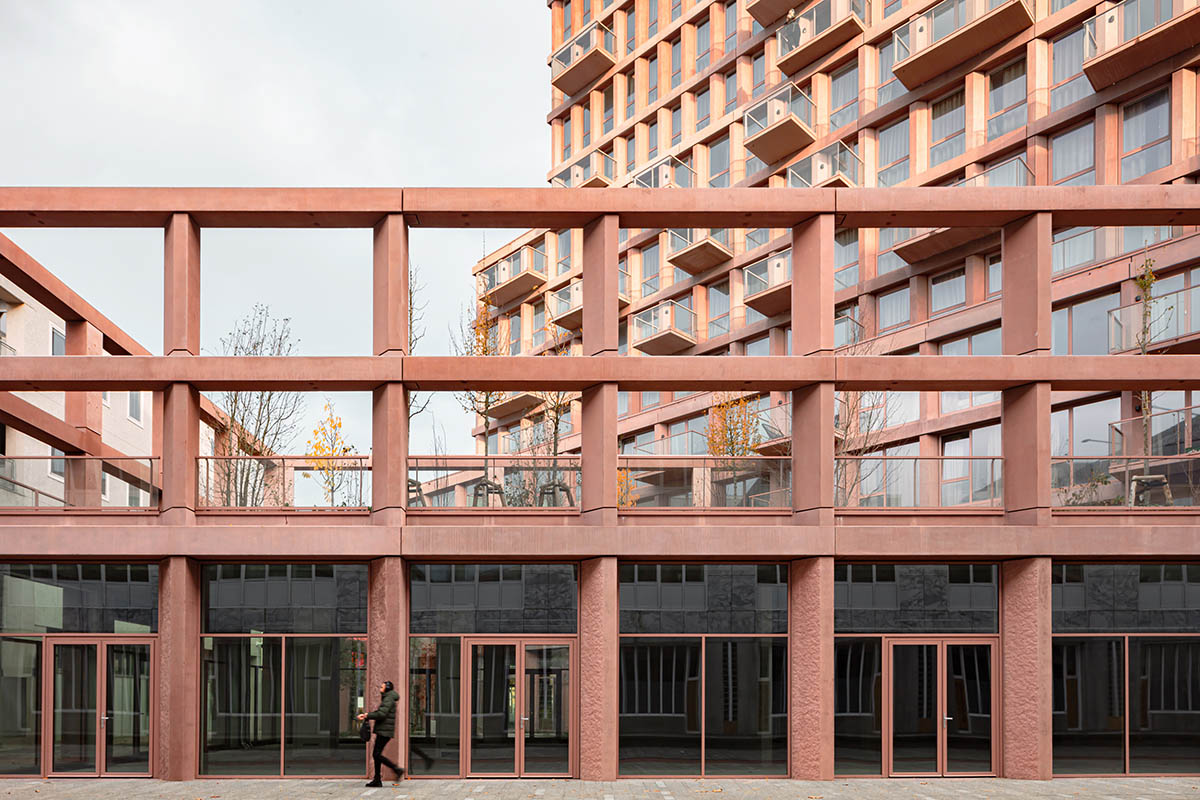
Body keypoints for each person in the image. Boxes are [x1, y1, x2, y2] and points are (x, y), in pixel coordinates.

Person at [358, 680, 403, 787]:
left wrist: (367, 715)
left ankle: (396, 769)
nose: (380, 689)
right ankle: (377, 779)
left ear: (387, 688)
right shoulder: (388, 697)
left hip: (384, 731)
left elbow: (382, 714)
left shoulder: (389, 698)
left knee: (376, 754)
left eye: (382, 687)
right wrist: (367, 715)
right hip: (383, 729)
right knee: (376, 754)